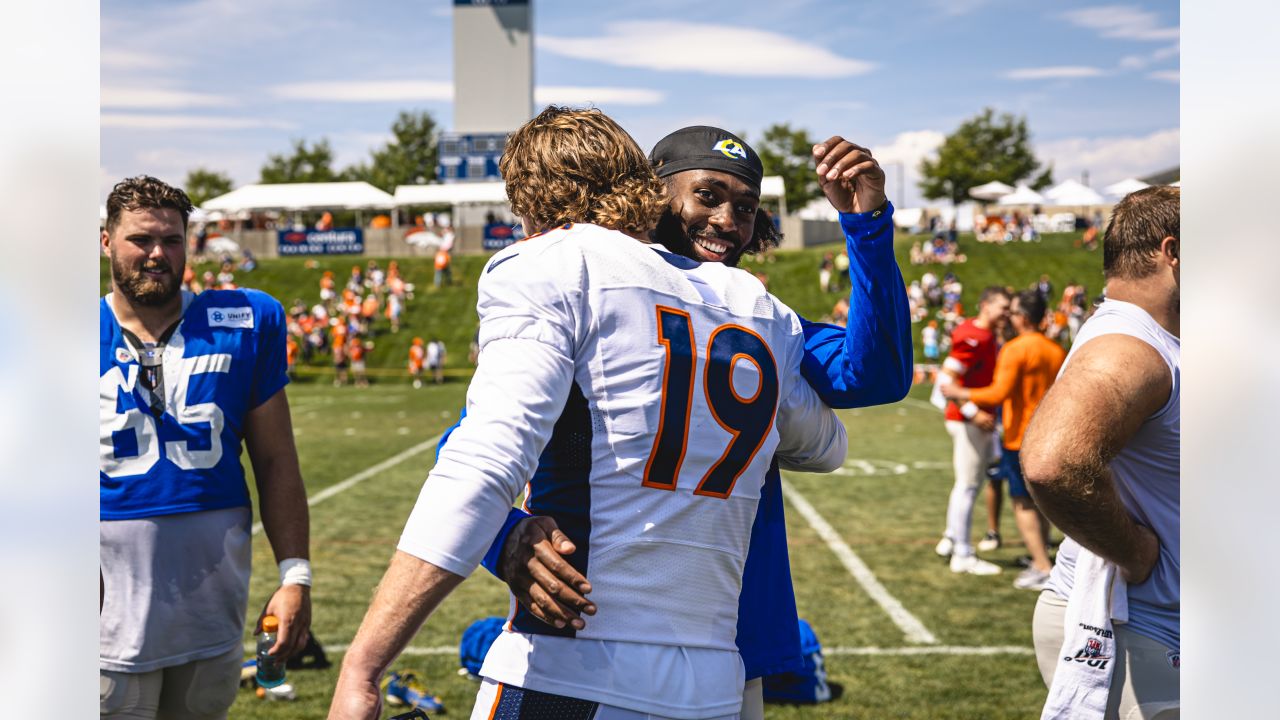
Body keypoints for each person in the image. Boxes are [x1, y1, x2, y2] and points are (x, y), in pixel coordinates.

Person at [328, 107, 849, 720]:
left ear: (530, 199)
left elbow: (485, 461)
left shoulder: (557, 261)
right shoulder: (755, 303)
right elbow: (826, 446)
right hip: (713, 685)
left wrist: (364, 666)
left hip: (576, 667)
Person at [468, 124, 911, 717]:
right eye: (708, 196)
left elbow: (873, 376)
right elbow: (474, 442)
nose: (729, 220)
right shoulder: (591, 296)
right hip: (603, 625)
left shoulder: (761, 321)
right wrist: (504, 536)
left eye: (747, 207)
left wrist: (867, 223)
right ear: (651, 195)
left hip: (727, 639)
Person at [99, 176, 311, 719]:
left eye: (172, 240)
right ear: (106, 241)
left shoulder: (246, 318)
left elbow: (275, 460)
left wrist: (295, 577)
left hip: (210, 612)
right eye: (140, 239)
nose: (157, 254)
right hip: (105, 619)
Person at [1021, 186, 1180, 719]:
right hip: (1141, 628)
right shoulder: (1128, 348)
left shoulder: (1155, 335)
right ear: (1173, 253)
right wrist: (1133, 550)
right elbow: (1052, 463)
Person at [940, 290, 1065, 590]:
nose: (1007, 315)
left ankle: (1040, 564)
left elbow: (998, 392)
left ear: (1022, 317)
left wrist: (962, 396)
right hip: (1048, 431)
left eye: (1012, 310)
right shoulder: (1056, 349)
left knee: (1021, 502)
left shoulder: (1014, 347)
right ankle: (954, 540)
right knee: (1041, 501)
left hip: (1019, 433)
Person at [930, 286, 1011, 574]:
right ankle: (962, 552)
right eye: (1003, 306)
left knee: (967, 484)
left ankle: (953, 538)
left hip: (969, 418)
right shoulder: (974, 336)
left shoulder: (982, 335)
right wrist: (973, 412)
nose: (1007, 312)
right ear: (986, 305)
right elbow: (947, 382)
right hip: (967, 419)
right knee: (968, 485)